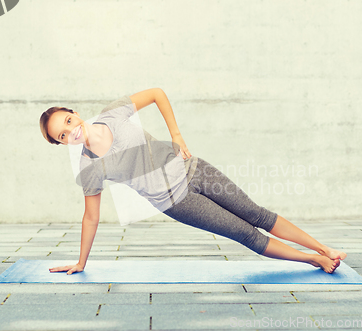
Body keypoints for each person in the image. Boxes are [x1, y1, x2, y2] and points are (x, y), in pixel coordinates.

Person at [39, 88, 346, 275]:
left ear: (74, 113)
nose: (71, 131)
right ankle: (313, 261)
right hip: (177, 202)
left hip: (195, 169)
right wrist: (81, 262)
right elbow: (90, 216)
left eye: (67, 122)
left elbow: (157, 93)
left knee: (257, 214)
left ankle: (325, 249)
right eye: (62, 135)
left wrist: (175, 134)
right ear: (61, 144)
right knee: (246, 234)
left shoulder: (113, 113)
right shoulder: (89, 167)